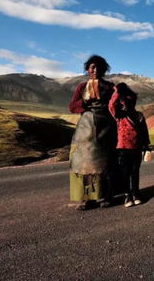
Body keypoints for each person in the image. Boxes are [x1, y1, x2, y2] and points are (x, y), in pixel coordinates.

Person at [68, 55, 116, 210]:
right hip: (86, 128)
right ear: (87, 69)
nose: (95, 70)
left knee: (105, 161)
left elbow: (116, 105)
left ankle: (105, 196)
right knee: (84, 162)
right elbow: (72, 107)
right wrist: (85, 102)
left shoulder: (109, 86)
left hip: (106, 126)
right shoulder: (81, 87)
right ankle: (86, 198)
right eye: (92, 67)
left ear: (104, 69)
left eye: (99, 67)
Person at [108, 82, 151, 208]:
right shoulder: (119, 115)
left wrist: (146, 146)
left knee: (135, 171)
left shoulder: (139, 115)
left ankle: (136, 193)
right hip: (122, 148)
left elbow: (144, 131)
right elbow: (111, 105)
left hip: (137, 147)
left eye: (131, 99)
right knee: (125, 172)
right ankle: (127, 195)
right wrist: (117, 92)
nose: (128, 102)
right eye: (125, 99)